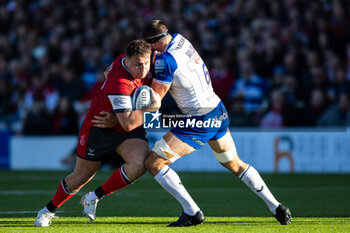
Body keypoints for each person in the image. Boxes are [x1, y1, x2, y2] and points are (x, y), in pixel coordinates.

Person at [141, 20, 292, 226]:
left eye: (148, 46)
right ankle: (276, 206)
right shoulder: (180, 39)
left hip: (199, 117)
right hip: (217, 109)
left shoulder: (164, 61)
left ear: (153, 43)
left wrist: (137, 106)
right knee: (235, 163)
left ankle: (192, 213)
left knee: (154, 161)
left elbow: (156, 100)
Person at [34, 39, 161, 227]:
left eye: (145, 63)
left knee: (139, 164)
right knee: (81, 177)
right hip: (99, 125)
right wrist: (153, 107)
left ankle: (94, 197)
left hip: (124, 124)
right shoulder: (119, 82)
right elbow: (127, 123)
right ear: (127, 60)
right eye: (137, 64)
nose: (143, 69)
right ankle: (47, 211)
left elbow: (108, 74)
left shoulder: (147, 61)